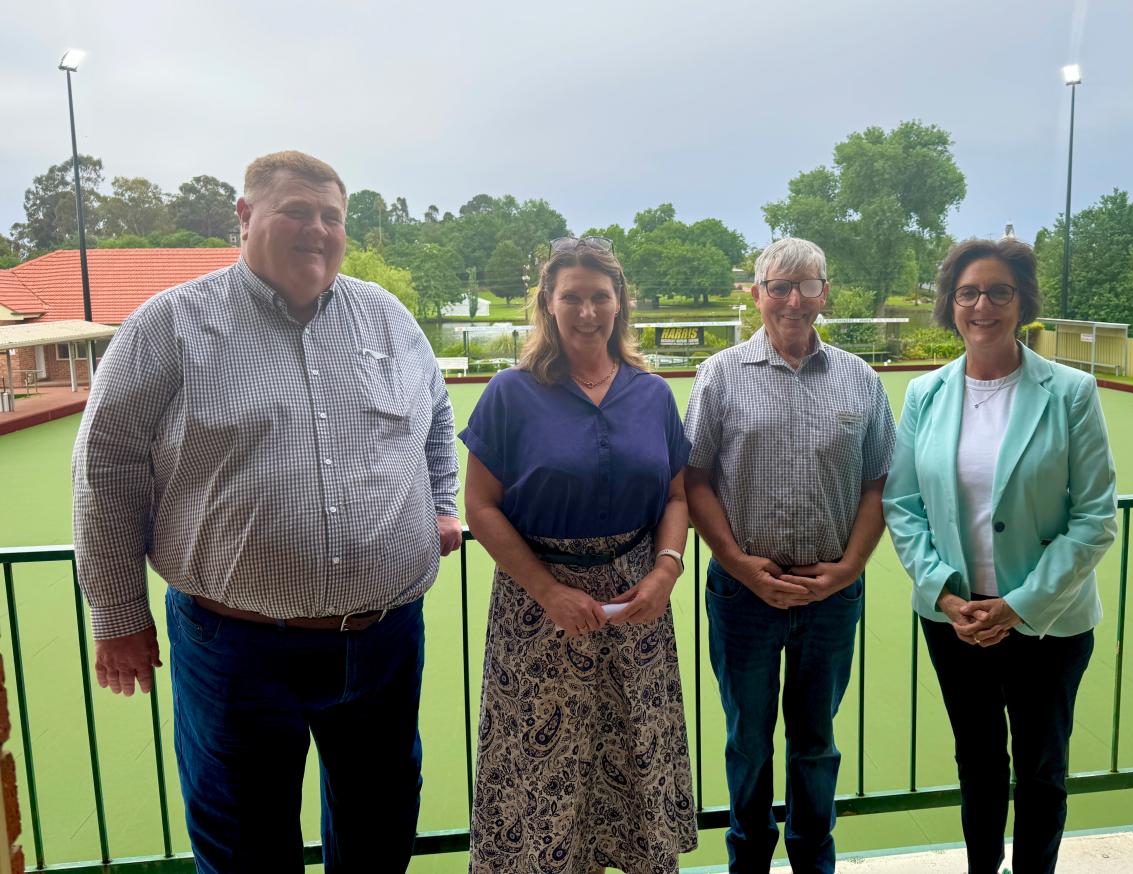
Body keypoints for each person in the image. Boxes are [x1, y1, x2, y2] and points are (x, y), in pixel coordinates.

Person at [72, 150, 461, 873]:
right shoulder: (170, 326)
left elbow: (436, 416)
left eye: (331, 217)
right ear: (246, 218)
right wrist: (119, 614)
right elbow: (105, 469)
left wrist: (441, 504)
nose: (316, 229)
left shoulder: (388, 318)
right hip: (236, 649)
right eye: (296, 211)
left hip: (384, 641)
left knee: (379, 834)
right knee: (248, 849)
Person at [461, 237, 697, 874]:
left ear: (621, 303)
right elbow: (480, 506)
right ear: (548, 303)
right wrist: (548, 591)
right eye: (573, 298)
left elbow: (677, 495)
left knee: (634, 761)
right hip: (538, 612)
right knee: (545, 774)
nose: (587, 311)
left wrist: (666, 570)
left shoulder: (651, 394)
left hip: (637, 605)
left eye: (600, 297)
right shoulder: (510, 393)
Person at [882, 238, 1117, 874]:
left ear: (1022, 302)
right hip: (955, 621)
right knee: (978, 762)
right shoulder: (925, 395)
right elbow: (903, 505)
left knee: (1041, 768)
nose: (981, 305)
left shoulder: (1070, 393)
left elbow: (1096, 517)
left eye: (998, 291)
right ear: (950, 304)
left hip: (1048, 625)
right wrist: (946, 595)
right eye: (967, 292)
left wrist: (1019, 606)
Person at [683, 237, 895, 873]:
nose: (794, 300)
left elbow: (879, 482)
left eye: (808, 286)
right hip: (743, 593)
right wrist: (741, 564)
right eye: (780, 286)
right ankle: (748, 860)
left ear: (825, 293)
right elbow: (693, 478)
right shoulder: (720, 374)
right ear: (757, 294)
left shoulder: (859, 378)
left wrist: (850, 569)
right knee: (747, 742)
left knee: (816, 743)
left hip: (831, 596)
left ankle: (812, 859)